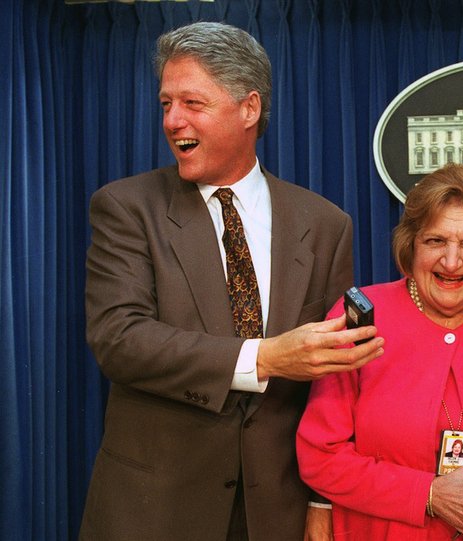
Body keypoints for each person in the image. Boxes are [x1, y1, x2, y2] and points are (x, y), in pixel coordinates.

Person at [80, 22, 383, 541]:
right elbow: (120, 341)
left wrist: (322, 500)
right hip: (155, 511)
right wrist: (265, 358)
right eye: (165, 104)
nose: (173, 120)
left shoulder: (325, 224)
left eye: (192, 103)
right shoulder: (127, 208)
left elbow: (336, 381)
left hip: (279, 514)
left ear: (249, 108)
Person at [296, 163, 463, 540]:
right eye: (436, 241)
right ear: (411, 245)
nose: (452, 261)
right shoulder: (359, 319)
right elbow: (319, 457)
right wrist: (429, 494)